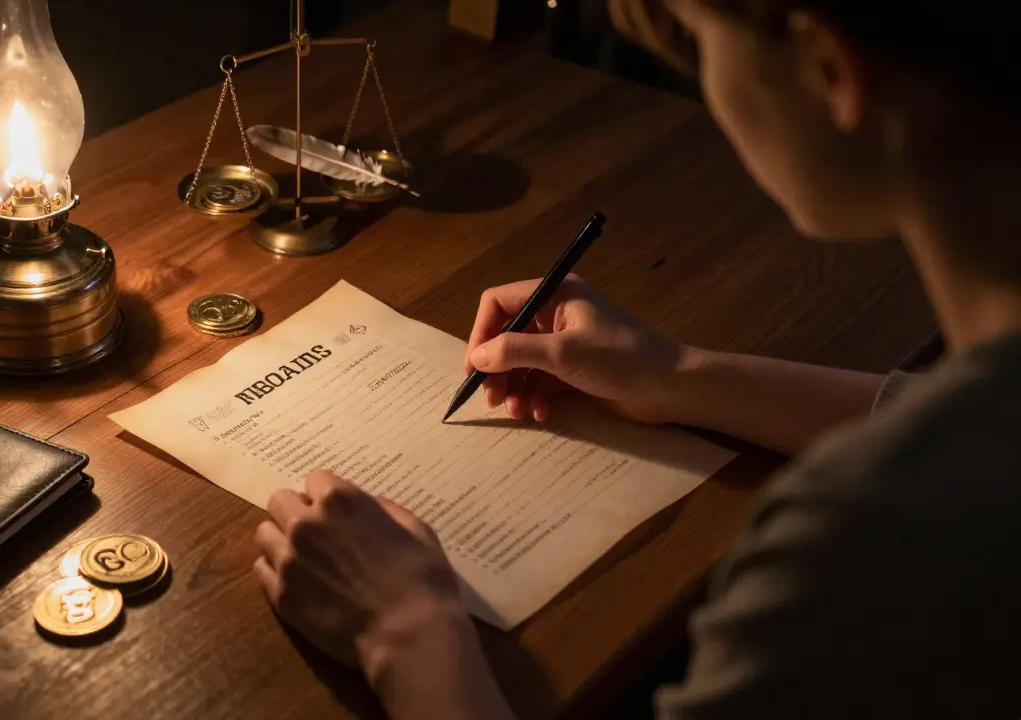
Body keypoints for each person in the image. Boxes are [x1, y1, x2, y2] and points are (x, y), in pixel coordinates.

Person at [250, 0, 1021, 716]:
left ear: (830, 68)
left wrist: (405, 630)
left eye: (698, 39)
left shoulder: (857, 548)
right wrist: (679, 377)